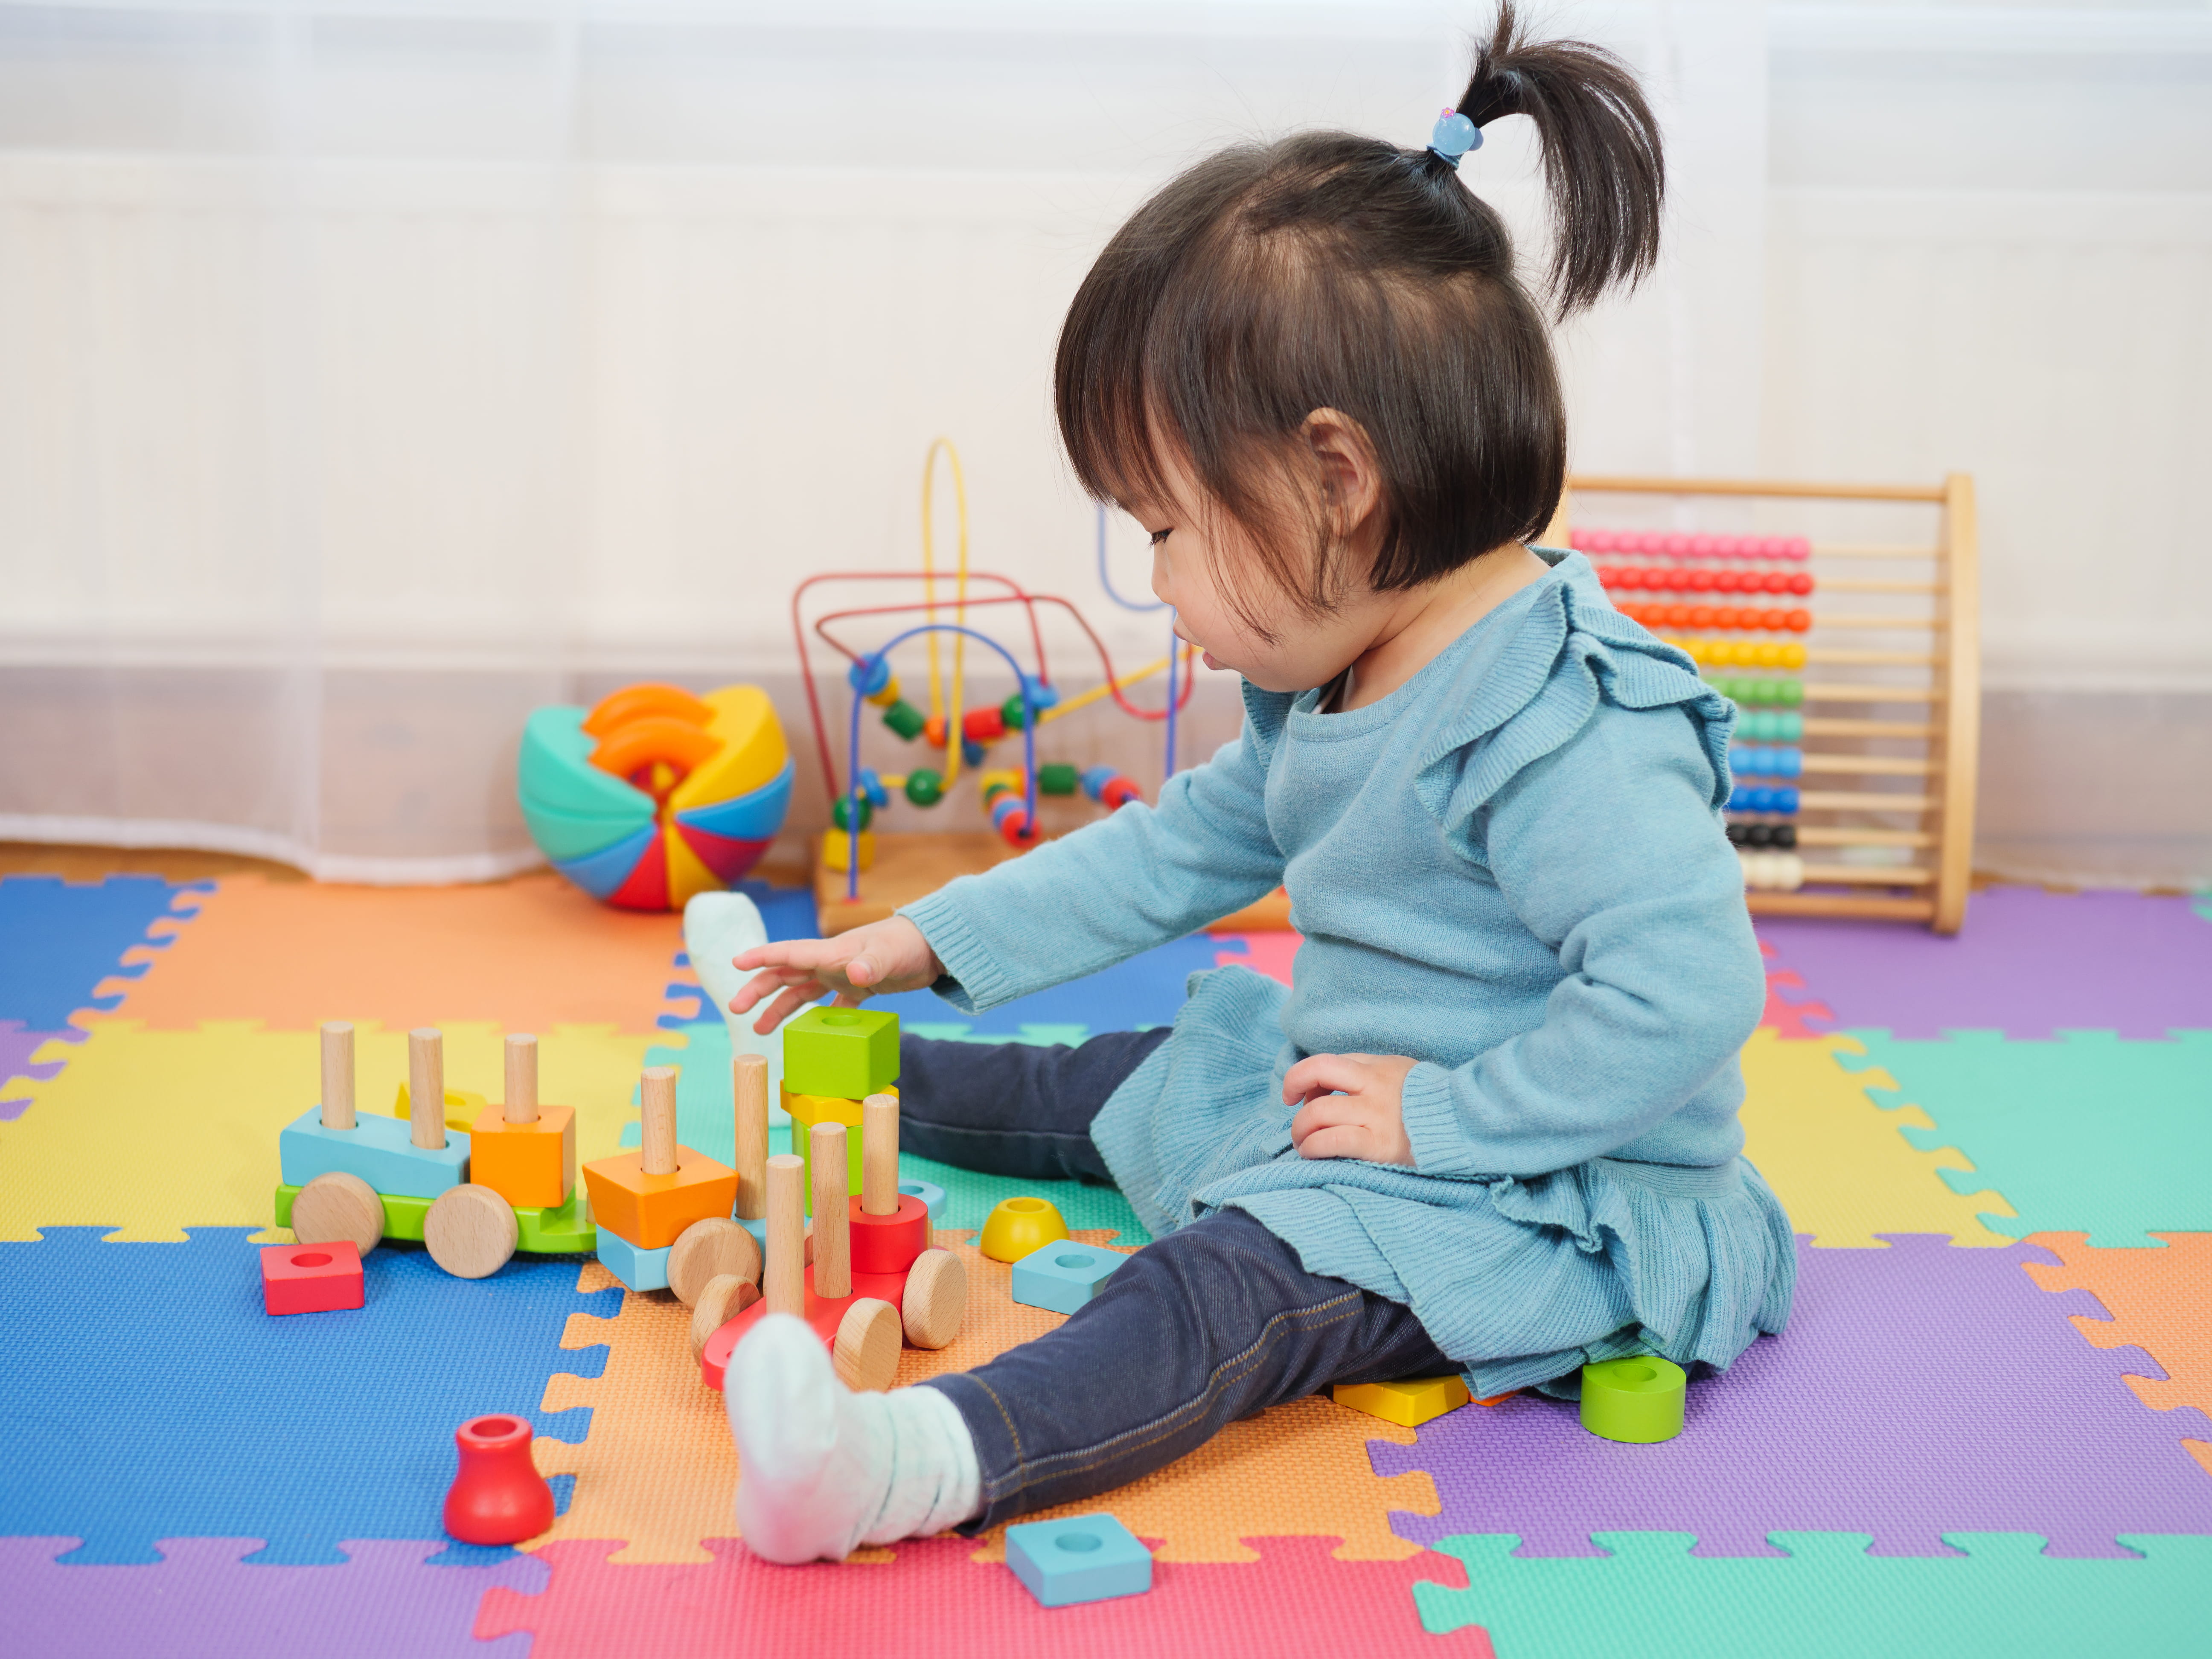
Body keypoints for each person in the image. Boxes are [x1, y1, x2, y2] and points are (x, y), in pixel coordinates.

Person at [720, 4, 1794, 1566]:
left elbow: (1685, 993)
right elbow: (1178, 851)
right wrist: (924, 939)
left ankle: (905, 1464)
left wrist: (1449, 1119)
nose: (1153, 578)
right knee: (1125, 1073)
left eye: (1161, 527)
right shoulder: (1340, 663)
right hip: (1367, 1109)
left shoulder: (1568, 727)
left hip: (1545, 1191)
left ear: (1339, 482)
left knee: (1223, 1291)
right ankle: (835, 1084)